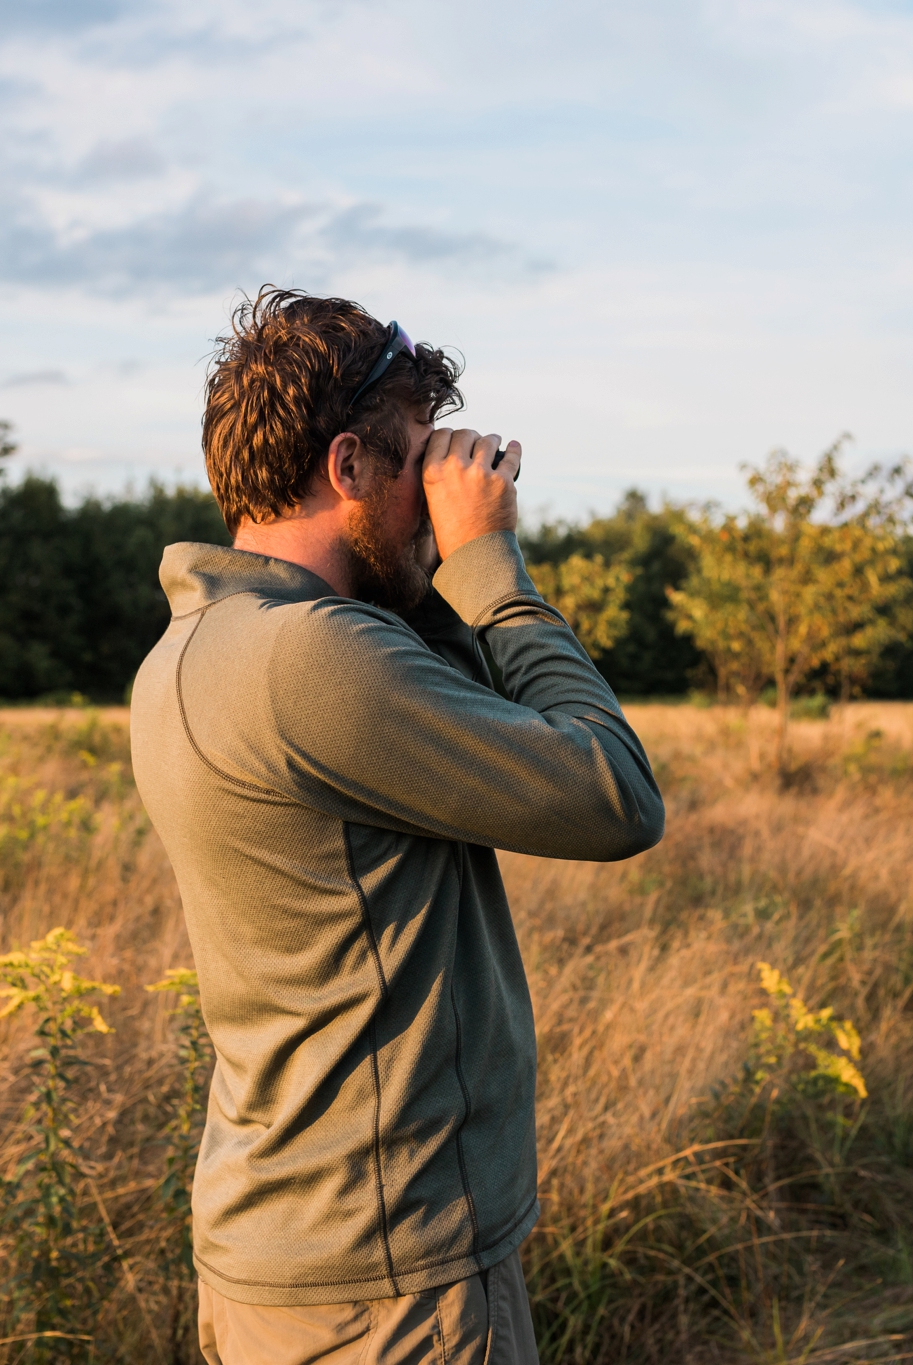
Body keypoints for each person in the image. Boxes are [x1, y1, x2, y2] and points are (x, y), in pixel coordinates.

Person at [129, 288, 665, 1365]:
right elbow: (613, 796)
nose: (440, 497)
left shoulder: (194, 652)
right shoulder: (309, 659)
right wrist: (489, 572)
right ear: (346, 467)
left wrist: (420, 576)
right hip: (394, 1287)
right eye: (419, 465)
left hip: (286, 1255)